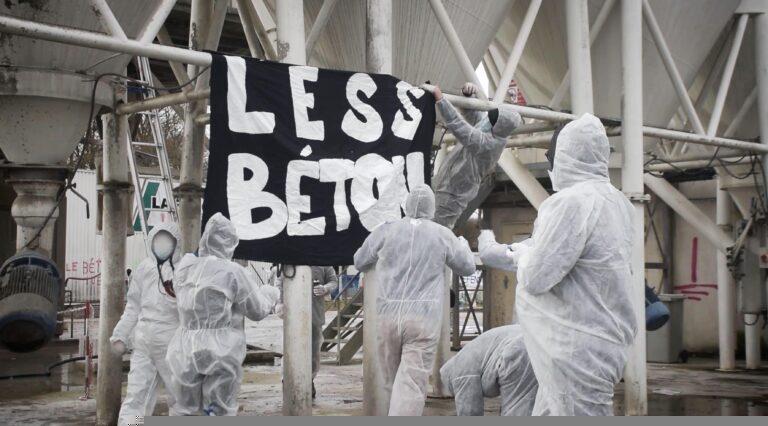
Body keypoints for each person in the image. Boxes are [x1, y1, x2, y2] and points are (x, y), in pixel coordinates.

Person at [478, 114, 637, 416]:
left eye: (554, 155)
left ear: (566, 155)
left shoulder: (570, 203)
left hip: (575, 350)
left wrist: (520, 255)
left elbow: (537, 276)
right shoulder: (619, 203)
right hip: (605, 341)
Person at [353, 184, 475, 416]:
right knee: (411, 383)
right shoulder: (441, 234)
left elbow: (360, 260)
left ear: (406, 205)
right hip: (423, 319)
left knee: (390, 380)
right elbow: (467, 267)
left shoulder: (386, 230)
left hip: (387, 315)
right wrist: (464, 246)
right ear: (432, 207)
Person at [166, 213, 280, 416]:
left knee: (183, 410)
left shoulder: (185, 267)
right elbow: (257, 310)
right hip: (219, 349)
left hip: (183, 347)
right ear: (230, 243)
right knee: (219, 410)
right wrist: (271, 293)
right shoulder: (232, 272)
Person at [110, 223, 181, 425]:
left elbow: (190, 310)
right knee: (137, 395)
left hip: (172, 344)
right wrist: (120, 334)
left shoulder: (183, 271)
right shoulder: (144, 268)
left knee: (179, 396)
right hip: (144, 343)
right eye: (158, 242)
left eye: (167, 242)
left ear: (176, 244)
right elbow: (133, 306)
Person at [431, 83, 523, 229]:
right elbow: (473, 116)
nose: (489, 118)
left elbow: (459, 126)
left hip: (452, 196)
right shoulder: (489, 127)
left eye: (493, 118)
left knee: (436, 233)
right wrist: (468, 96)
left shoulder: (490, 144)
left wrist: (441, 100)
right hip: (442, 185)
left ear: (499, 125)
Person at [439, 324, 537, 416]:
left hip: (517, 352)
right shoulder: (465, 357)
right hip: (533, 342)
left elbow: (470, 412)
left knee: (516, 410)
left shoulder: (459, 372)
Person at [274, 266, 338, 398]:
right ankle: (287, 380)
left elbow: (334, 281)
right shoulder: (289, 259)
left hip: (314, 316)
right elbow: (279, 283)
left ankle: (309, 380)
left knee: (313, 353)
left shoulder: (323, 260)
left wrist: (325, 288)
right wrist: (279, 303)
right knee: (290, 350)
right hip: (293, 314)